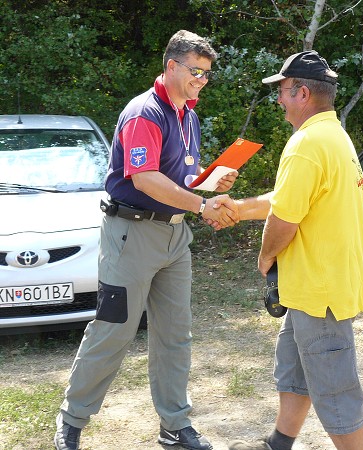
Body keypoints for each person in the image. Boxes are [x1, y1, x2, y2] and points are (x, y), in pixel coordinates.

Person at [54, 30, 238, 450]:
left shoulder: (186, 114)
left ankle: (174, 425)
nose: (201, 81)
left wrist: (209, 182)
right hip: (131, 235)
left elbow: (177, 176)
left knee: (175, 334)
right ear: (171, 65)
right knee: (113, 330)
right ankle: (72, 420)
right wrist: (200, 205)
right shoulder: (145, 112)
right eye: (195, 71)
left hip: (174, 238)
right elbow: (145, 178)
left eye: (207, 74)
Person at [224, 50, 363, 450]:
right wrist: (238, 209)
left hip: (318, 289)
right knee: (294, 369)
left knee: (335, 388)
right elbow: (287, 199)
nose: (278, 100)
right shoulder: (333, 135)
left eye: (282, 91)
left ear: (302, 93)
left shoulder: (307, 143)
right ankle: (279, 443)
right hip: (313, 285)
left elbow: (285, 219)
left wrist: (265, 257)